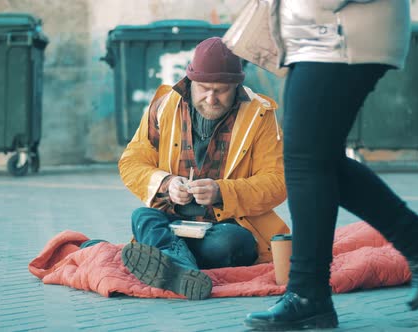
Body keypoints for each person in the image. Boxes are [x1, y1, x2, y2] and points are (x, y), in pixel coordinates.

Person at [244, 0, 418, 330]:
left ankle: (307, 294)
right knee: (317, 160)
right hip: (321, 37)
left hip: (339, 36)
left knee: (305, 163)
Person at [118, 37, 290, 301]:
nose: (211, 98)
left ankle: (169, 259)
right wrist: (167, 183)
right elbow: (131, 162)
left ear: (236, 86)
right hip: (173, 220)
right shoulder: (163, 106)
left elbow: (278, 182)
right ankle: (183, 269)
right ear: (190, 82)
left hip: (226, 228)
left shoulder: (261, 115)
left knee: (231, 243)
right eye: (204, 88)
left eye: (221, 90)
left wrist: (222, 191)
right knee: (142, 217)